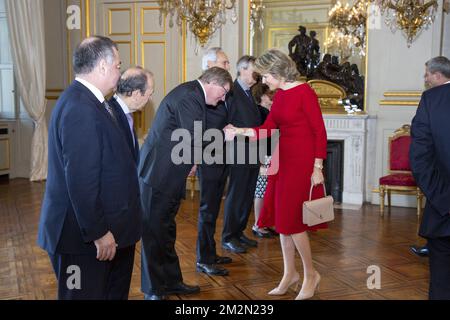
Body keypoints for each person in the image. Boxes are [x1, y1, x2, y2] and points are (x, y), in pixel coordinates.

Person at [37, 36, 142, 300]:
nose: (120, 71)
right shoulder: (80, 107)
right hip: (80, 240)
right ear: (104, 66)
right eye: (118, 65)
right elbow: (81, 180)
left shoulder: (92, 101)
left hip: (98, 235)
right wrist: (98, 232)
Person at [225, 49, 327, 300]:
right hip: (283, 162)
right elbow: (268, 129)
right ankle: (289, 274)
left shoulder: (305, 92)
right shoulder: (279, 96)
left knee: (294, 223)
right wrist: (240, 130)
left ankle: (310, 274)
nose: (263, 81)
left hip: (302, 164)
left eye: (265, 76)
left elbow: (319, 131)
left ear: (278, 72)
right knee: (283, 223)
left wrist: (317, 168)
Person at [138, 67, 233, 300]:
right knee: (154, 234)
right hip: (157, 175)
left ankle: (172, 282)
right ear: (212, 82)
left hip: (169, 174)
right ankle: (154, 290)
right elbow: (193, 136)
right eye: (223, 92)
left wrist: (191, 160)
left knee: (166, 232)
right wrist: (224, 135)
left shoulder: (194, 95)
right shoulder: (190, 96)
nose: (224, 98)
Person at [410, 56, 450, 300]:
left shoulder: (431, 100)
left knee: (441, 285)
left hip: (442, 210)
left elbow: (420, 158)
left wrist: (443, 200)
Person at [195, 47, 232, 277]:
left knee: (214, 208)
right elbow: (198, 129)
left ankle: (211, 252)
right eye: (224, 62)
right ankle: (204, 259)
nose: (228, 66)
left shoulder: (223, 89)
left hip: (222, 156)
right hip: (208, 158)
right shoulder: (198, 93)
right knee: (207, 210)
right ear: (209, 65)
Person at [222, 55, 261, 254]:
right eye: (254, 70)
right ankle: (229, 236)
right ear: (242, 69)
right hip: (238, 152)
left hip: (253, 152)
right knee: (236, 195)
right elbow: (227, 122)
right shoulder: (232, 92)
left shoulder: (249, 93)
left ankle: (239, 233)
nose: (257, 74)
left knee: (247, 196)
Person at [109, 66, 154, 163]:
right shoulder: (109, 117)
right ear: (136, 94)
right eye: (149, 94)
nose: (150, 99)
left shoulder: (125, 114)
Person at [251, 83, 276, 238]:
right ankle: (257, 225)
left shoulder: (267, 111)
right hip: (264, 156)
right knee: (260, 191)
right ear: (261, 96)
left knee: (266, 191)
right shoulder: (259, 112)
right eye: (268, 95)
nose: (271, 97)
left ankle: (264, 223)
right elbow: (259, 137)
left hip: (271, 155)